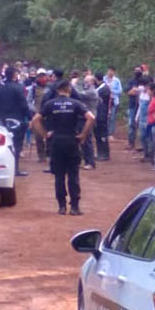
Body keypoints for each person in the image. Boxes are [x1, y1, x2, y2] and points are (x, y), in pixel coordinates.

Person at [32, 80, 94, 215]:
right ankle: (75, 207)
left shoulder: (49, 104)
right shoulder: (76, 104)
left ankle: (61, 206)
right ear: (68, 89)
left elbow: (35, 120)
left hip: (56, 142)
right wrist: (83, 134)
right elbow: (91, 118)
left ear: (57, 90)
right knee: (73, 174)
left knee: (59, 176)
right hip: (71, 141)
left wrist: (45, 135)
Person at [0, 66, 31, 176]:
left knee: (6, 145)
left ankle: (7, 167)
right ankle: (15, 169)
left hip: (3, 120)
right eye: (17, 74)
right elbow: (23, 104)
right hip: (17, 119)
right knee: (17, 145)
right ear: (14, 75)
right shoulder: (17, 88)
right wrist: (29, 117)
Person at [26, 69, 51, 163]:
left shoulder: (51, 87)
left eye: (43, 76)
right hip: (37, 114)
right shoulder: (33, 88)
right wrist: (35, 110)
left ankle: (49, 154)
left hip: (49, 115)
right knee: (38, 136)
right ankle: (41, 156)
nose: (42, 78)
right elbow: (28, 101)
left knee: (50, 135)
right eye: (40, 76)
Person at [76, 75, 100, 169]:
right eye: (85, 81)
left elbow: (78, 94)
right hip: (83, 118)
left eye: (87, 81)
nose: (85, 83)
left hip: (89, 119)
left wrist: (73, 85)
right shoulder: (87, 90)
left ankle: (90, 162)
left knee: (87, 140)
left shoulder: (92, 92)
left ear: (92, 82)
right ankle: (85, 161)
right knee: (82, 140)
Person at [125, 66, 148, 151]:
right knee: (132, 124)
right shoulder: (131, 80)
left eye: (138, 70)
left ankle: (142, 145)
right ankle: (131, 143)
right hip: (132, 105)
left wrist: (136, 91)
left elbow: (141, 91)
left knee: (142, 125)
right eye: (135, 70)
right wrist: (136, 91)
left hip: (142, 106)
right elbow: (128, 91)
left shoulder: (144, 80)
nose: (136, 72)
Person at [95, 77, 112, 161]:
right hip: (99, 114)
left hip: (102, 114)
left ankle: (105, 154)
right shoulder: (101, 88)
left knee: (102, 134)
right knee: (98, 134)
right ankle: (100, 152)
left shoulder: (104, 89)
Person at [104, 67, 122, 138]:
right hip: (105, 100)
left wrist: (111, 90)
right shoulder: (104, 79)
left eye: (112, 71)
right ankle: (104, 132)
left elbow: (120, 91)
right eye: (109, 71)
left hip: (114, 101)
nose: (110, 72)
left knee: (112, 117)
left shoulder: (117, 80)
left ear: (114, 72)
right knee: (105, 116)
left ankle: (110, 133)